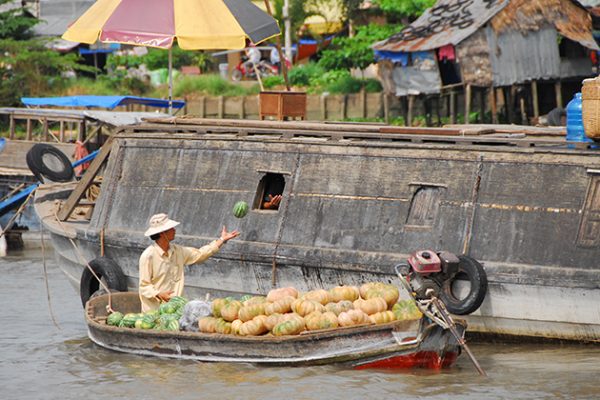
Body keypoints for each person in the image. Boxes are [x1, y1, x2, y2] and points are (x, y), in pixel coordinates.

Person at [138, 213, 240, 312]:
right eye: (170, 228)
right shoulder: (148, 256)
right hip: (154, 313)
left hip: (175, 311)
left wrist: (221, 240)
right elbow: (144, 286)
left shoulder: (178, 251)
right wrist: (159, 294)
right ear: (162, 233)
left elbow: (200, 254)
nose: (174, 230)